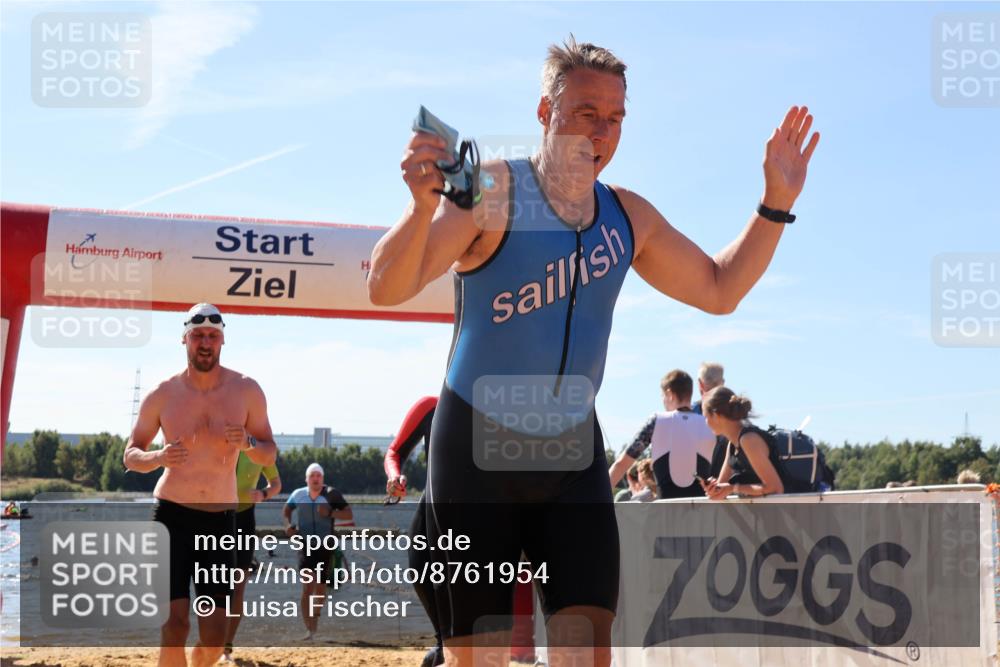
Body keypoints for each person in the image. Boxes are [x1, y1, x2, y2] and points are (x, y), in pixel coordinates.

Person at [368, 35, 818, 667]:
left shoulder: (627, 216)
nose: (601, 131)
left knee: (588, 653)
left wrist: (776, 203)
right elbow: (386, 286)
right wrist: (419, 211)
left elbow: (720, 288)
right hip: (476, 448)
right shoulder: (490, 189)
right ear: (545, 113)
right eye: (585, 112)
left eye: (614, 118)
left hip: (572, 453)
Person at [123, 303, 277, 667]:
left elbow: (269, 453)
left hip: (220, 520)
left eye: (212, 336)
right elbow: (130, 454)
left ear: (222, 340)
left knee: (214, 634)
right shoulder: (163, 393)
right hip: (171, 517)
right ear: (184, 339)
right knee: (174, 626)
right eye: (197, 336)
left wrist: (248, 445)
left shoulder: (246, 390)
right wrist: (158, 458)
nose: (205, 343)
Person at [609, 370, 716, 499]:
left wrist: (595, 499)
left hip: (665, 513)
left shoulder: (656, 421)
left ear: (669, 394)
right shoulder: (710, 424)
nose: (663, 401)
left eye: (662, 396)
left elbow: (622, 464)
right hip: (703, 512)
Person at [220, 452, 281, 664]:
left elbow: (276, 484)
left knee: (238, 587)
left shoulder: (260, 448)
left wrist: (264, 494)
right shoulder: (222, 439)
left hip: (244, 518)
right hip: (215, 516)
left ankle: (226, 647)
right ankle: (210, 641)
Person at [283, 463, 352, 641]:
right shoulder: (298, 494)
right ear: (306, 479)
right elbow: (287, 510)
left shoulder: (331, 494)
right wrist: (288, 527)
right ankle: (310, 630)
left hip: (325, 547)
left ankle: (315, 622)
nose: (315, 478)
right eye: (312, 475)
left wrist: (330, 513)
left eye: (318, 476)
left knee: (320, 589)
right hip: (305, 545)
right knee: (308, 586)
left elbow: (348, 514)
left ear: (322, 478)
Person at [699, 386, 785, 500]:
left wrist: (732, 488)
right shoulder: (732, 444)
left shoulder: (748, 440)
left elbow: (775, 488)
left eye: (705, 417)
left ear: (716, 415)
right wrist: (714, 488)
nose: (705, 422)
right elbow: (720, 489)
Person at [691, 363, 730, 479]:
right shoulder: (736, 409)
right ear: (722, 382)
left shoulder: (691, 412)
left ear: (700, 384)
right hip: (728, 480)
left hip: (696, 481)